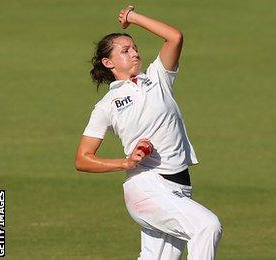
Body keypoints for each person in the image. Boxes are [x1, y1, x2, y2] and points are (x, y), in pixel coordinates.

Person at [75, 6, 221, 260]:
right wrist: (126, 162)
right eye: (125, 51)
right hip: (147, 188)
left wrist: (133, 18)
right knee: (206, 226)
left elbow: (174, 37)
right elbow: (83, 159)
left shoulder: (158, 77)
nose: (134, 53)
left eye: (134, 48)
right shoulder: (107, 105)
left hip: (179, 187)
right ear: (108, 63)